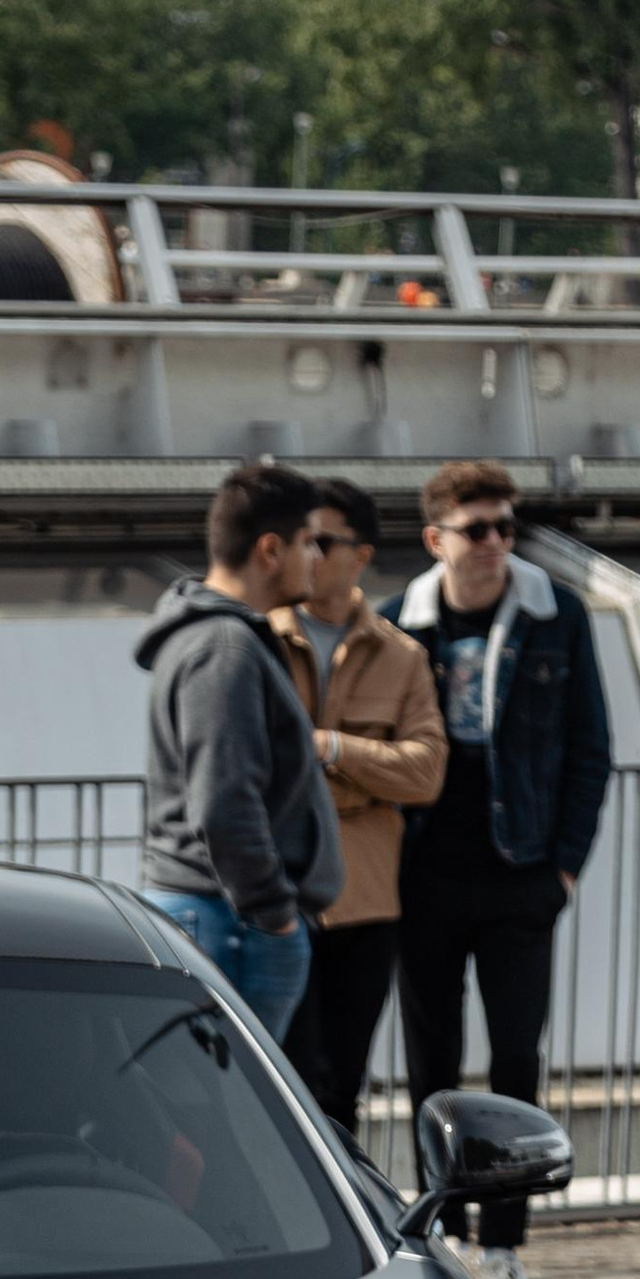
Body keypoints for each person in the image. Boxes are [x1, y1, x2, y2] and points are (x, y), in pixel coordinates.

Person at [391, 458, 612, 1279]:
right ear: (436, 538)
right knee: (430, 1061)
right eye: (477, 529)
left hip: (520, 870)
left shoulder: (557, 617)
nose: (495, 545)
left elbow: (591, 748)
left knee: (517, 1059)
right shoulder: (399, 625)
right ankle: (435, 1230)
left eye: (506, 528)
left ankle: (504, 1243)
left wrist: (563, 867)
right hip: (425, 872)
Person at [134, 462, 344, 1039]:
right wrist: (274, 916)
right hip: (230, 924)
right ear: (270, 550)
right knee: (213, 1119)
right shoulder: (224, 647)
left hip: (225, 916)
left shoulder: (218, 637)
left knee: (208, 1113)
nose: (318, 559)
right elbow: (224, 802)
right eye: (310, 543)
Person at [266, 479, 445, 1149]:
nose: (307, 553)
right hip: (274, 893)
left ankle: (342, 1232)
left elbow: (426, 772)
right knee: (276, 1077)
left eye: (324, 540)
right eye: (300, 539)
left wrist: (332, 749)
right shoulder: (259, 638)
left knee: (341, 1084)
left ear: (360, 554)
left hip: (363, 902)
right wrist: (367, 780)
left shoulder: (401, 656)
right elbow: (255, 763)